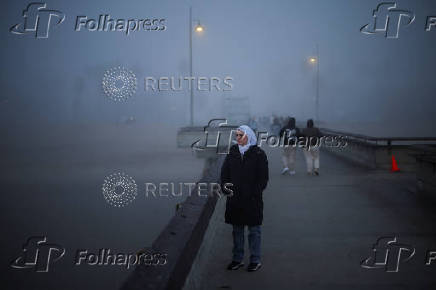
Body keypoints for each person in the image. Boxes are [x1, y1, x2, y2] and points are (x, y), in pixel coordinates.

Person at [220, 125, 269, 272]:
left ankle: (255, 260)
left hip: (252, 199)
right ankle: (237, 259)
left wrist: (254, 193)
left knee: (254, 230)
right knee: (237, 230)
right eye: (237, 135)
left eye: (241, 135)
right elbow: (225, 173)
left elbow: (263, 178)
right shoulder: (232, 153)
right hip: (235, 199)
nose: (238, 138)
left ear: (249, 136)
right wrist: (226, 189)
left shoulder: (259, 154)